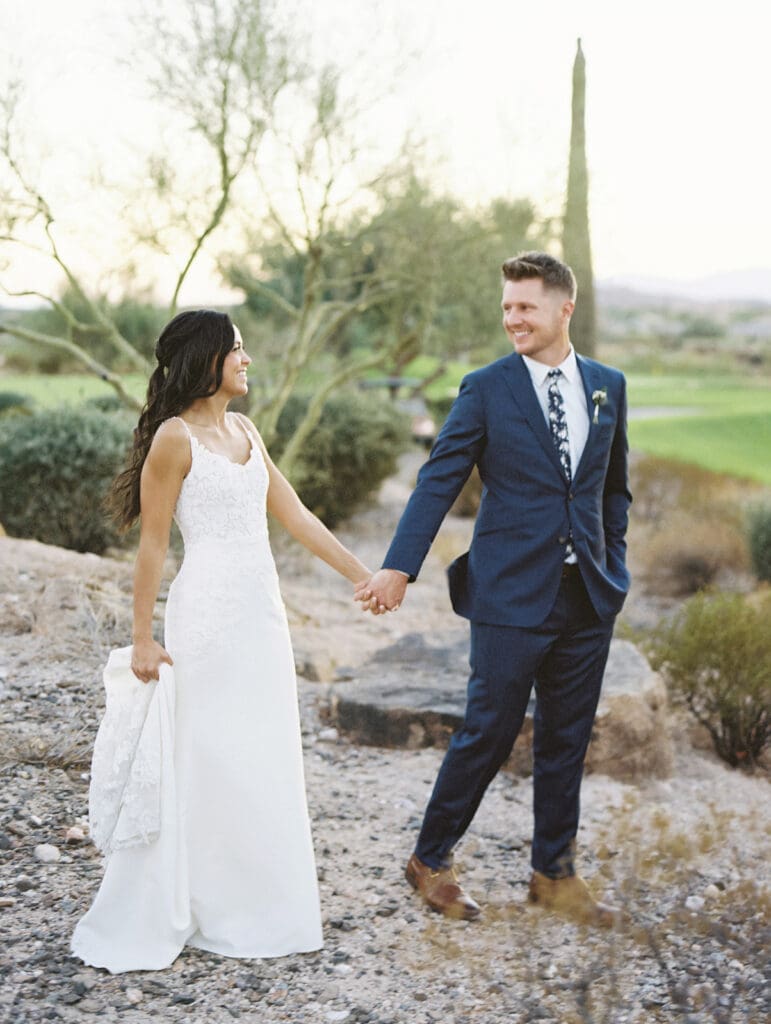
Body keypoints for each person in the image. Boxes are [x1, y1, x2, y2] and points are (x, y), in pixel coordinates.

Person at [72, 309, 380, 973]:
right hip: (205, 616)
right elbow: (153, 545)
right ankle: (201, 902)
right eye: (236, 350)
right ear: (206, 360)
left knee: (261, 749)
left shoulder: (245, 431)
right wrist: (141, 640)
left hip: (259, 615)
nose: (246, 360)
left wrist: (362, 576)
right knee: (208, 751)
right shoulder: (173, 440)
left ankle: (262, 903)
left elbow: (293, 515)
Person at [356, 252, 632, 926]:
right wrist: (399, 566)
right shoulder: (484, 388)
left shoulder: (606, 385)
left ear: (563, 308)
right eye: (506, 306)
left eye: (525, 307)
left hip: (587, 595)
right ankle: (430, 858)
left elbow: (613, 488)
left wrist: (613, 561)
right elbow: (438, 479)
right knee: (488, 729)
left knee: (567, 739)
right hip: (509, 594)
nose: (512, 318)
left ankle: (553, 875)